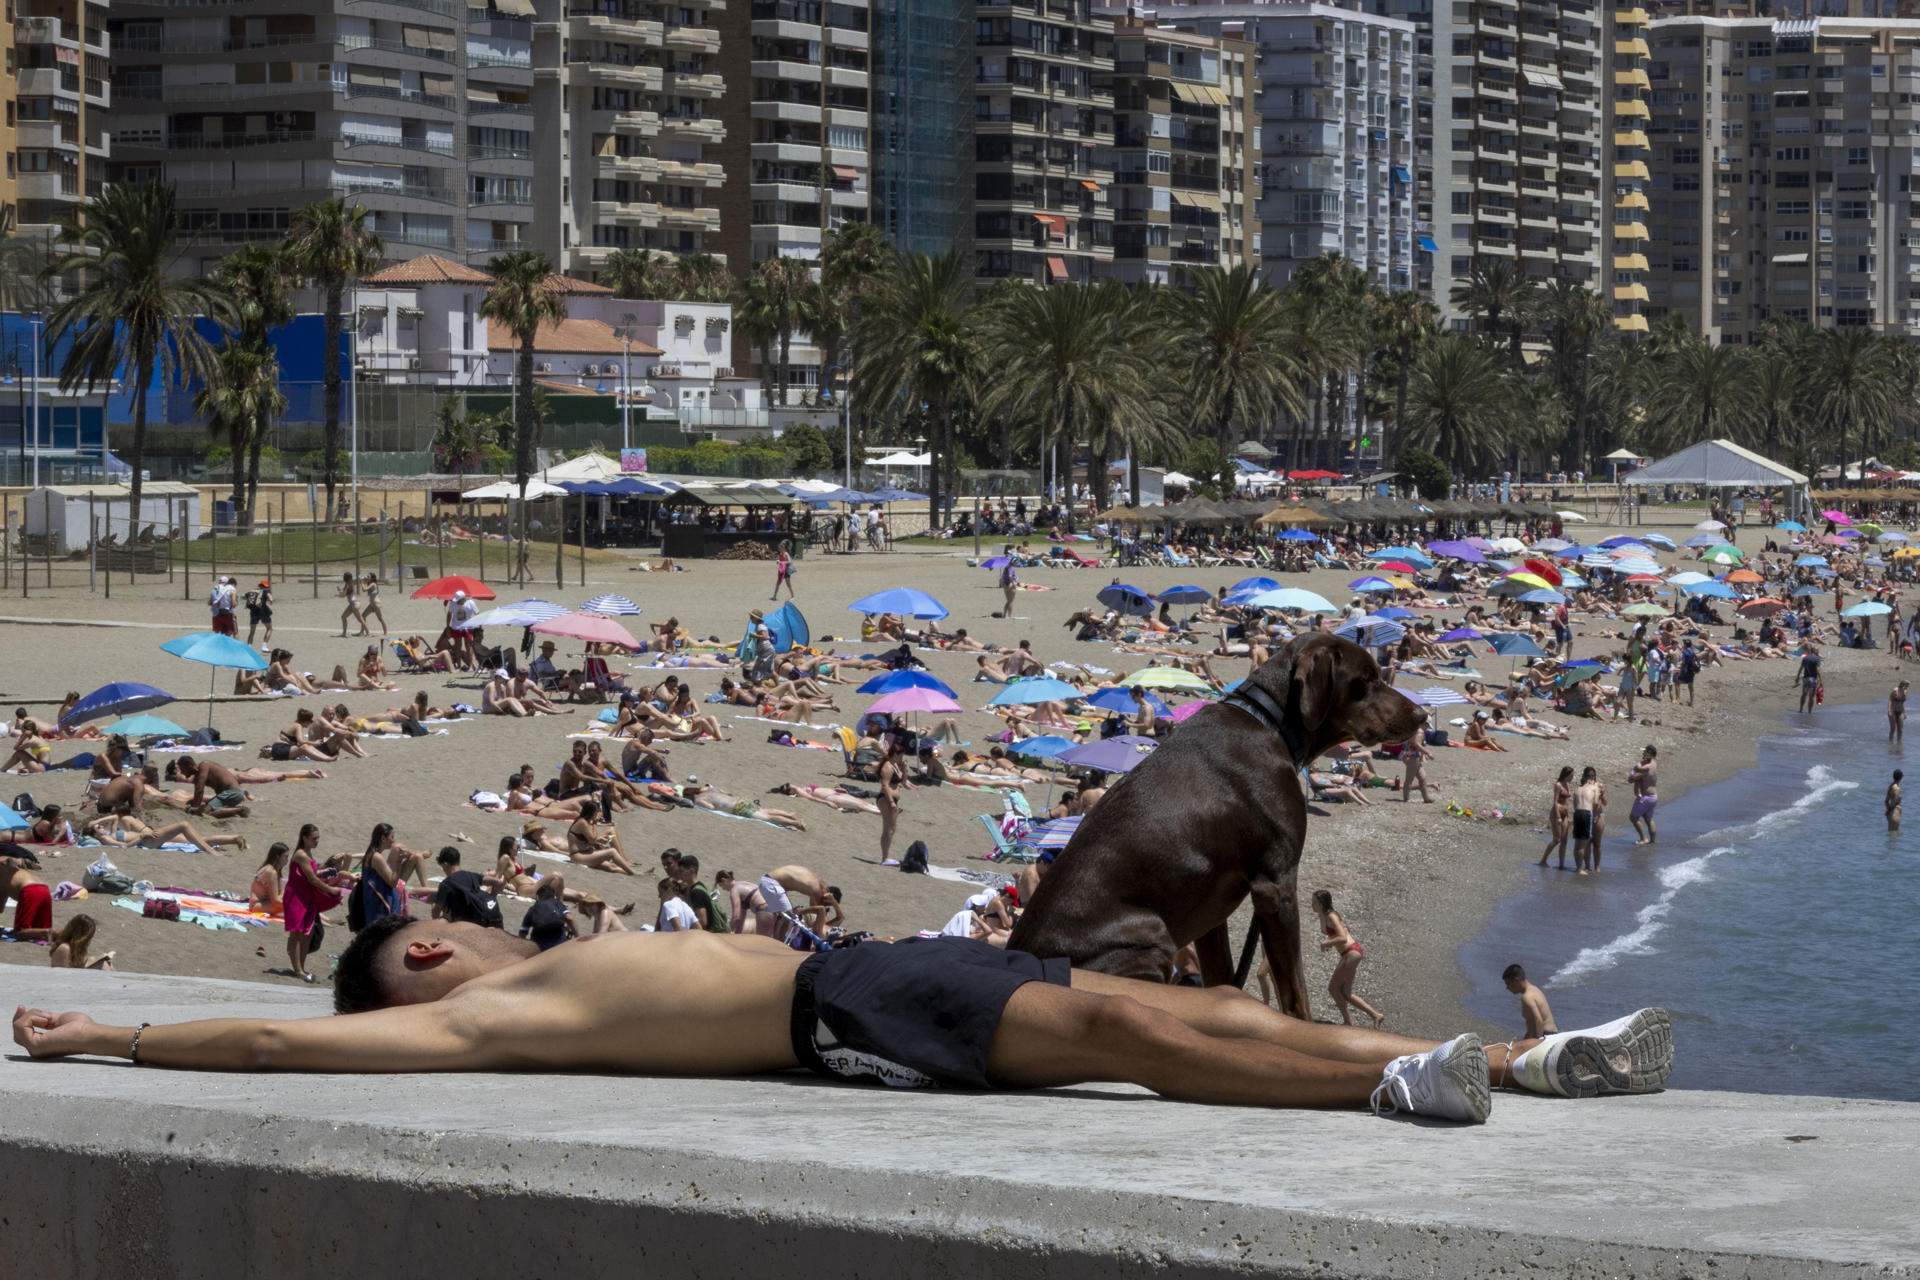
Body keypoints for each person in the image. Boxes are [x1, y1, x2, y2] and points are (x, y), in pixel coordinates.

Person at [11, 921, 1680, 1123]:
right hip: (844, 1009)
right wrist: (110, 1042)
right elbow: (282, 1044)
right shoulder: (481, 1019)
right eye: (435, 939)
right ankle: (1397, 1088)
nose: (475, 932)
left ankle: (1506, 1062)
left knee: (1177, 1004)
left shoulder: (529, 978)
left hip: (868, 965)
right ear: (421, 966)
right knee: (1129, 1038)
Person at [1312, 890, 1385, 1028]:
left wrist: (1326, 943)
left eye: (1314, 902)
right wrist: (1331, 942)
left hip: (1351, 952)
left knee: (1333, 988)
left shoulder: (1331, 916)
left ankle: (1348, 1021)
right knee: (1346, 992)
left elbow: (1343, 937)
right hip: (1349, 953)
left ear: (1321, 904)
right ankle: (1376, 1015)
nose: (1312, 905)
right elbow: (1341, 932)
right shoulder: (1323, 915)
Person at [284, 825, 345, 984]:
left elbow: (314, 873)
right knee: (297, 934)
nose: (317, 841)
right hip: (296, 897)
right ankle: (298, 970)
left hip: (307, 896)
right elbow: (312, 879)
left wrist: (330, 867)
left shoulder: (308, 853)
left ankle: (301, 968)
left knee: (307, 934)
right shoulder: (300, 854)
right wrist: (330, 890)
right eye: (314, 838)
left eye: (318, 838)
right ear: (304, 838)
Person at [432, 848, 504, 929]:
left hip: (476, 921)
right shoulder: (471, 875)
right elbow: (498, 882)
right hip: (494, 912)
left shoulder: (446, 884)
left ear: (445, 864)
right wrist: (493, 895)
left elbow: (436, 911)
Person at [0, 854, 54, 941]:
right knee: (39, 929)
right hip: (44, 889)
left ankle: (50, 932)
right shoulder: (9, 863)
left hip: (29, 890)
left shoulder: (2, 873)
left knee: (20, 932)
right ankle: (61, 934)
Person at [1501, 965, 1558, 1040]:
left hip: (1546, 1035)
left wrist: (1538, 1042)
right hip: (1552, 1034)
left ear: (1516, 981)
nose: (1507, 988)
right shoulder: (1535, 989)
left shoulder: (1527, 997)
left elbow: (1538, 1020)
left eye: (1508, 984)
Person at [518, 882, 574, 951]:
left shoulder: (532, 909)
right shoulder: (557, 903)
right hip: (559, 946)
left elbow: (523, 931)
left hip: (539, 948)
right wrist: (577, 935)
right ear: (554, 896)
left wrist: (522, 948)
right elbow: (570, 918)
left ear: (537, 897)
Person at [876, 736, 908, 857]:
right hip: (886, 799)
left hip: (892, 800)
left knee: (892, 828)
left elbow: (903, 782)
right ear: (895, 754)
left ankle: (886, 856)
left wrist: (905, 770)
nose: (902, 758)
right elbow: (885, 785)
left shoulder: (896, 766)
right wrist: (891, 802)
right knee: (888, 829)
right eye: (901, 756)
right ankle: (885, 858)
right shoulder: (888, 766)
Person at [1539, 765, 1574, 870]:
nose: (1572, 778)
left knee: (1564, 840)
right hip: (1556, 813)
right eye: (1571, 776)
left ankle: (1561, 865)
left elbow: (1567, 801)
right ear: (1566, 775)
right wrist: (1558, 816)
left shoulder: (1567, 785)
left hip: (1565, 812)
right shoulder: (1558, 785)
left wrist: (1569, 815)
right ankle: (1543, 860)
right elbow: (1555, 802)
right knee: (1557, 839)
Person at [1573, 766, 1603, 876]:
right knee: (1583, 844)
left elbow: (1574, 804)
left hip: (1577, 813)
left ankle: (1578, 867)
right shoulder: (1595, 787)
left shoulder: (1578, 788)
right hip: (1586, 813)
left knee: (1577, 843)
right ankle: (1580, 869)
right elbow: (1596, 803)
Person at [1628, 745, 1658, 847]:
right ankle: (1652, 841)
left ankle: (1643, 838)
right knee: (1648, 819)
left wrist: (1636, 767)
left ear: (1650, 754)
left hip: (1646, 797)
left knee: (1633, 817)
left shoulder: (1646, 768)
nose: (1643, 753)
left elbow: (1631, 778)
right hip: (1654, 797)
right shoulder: (1654, 763)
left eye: (1645, 752)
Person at [1399, 721, 1432, 804]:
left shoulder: (1414, 729)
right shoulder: (1419, 732)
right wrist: (1427, 753)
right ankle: (1406, 799)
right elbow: (1417, 744)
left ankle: (1426, 798)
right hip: (1412, 757)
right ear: (1425, 724)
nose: (1427, 729)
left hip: (1410, 756)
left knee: (1422, 777)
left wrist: (1423, 755)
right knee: (1409, 779)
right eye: (1427, 726)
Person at [250, 845, 287, 916]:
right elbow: (275, 901)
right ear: (278, 857)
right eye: (285, 857)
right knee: (291, 910)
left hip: (265, 903)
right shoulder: (271, 872)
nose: (287, 860)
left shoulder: (275, 870)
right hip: (257, 905)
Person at [245, 579, 274, 647]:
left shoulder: (253, 591)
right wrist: (270, 601)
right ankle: (264, 646)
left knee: (252, 631)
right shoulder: (266, 591)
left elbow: (245, 596)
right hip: (263, 611)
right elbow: (271, 599)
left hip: (253, 611)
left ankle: (249, 646)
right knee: (269, 628)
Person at [1796, 645, 1822, 714]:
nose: (1818, 652)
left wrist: (1797, 677)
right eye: (1818, 650)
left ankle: (1801, 709)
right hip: (1813, 679)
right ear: (1815, 651)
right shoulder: (1817, 658)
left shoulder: (1805, 658)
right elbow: (1817, 670)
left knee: (1804, 694)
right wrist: (1821, 680)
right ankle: (1809, 712)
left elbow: (1801, 668)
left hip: (1805, 678)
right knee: (1811, 696)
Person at [996, 548, 1019, 618]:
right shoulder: (1011, 568)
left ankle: (1005, 614)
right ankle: (1009, 615)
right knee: (1010, 601)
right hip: (1010, 585)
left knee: (1008, 601)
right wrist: (1013, 583)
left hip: (1005, 585)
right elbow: (1010, 576)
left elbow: (1004, 577)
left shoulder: (1006, 567)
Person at [1892, 680, 1910, 745]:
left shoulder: (1905, 691)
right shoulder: (1895, 690)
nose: (1907, 687)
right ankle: (1891, 742)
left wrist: (1904, 713)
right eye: (1907, 685)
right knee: (1893, 729)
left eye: (1908, 686)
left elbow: (1902, 703)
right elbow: (1891, 701)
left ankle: (1899, 743)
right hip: (1894, 711)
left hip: (1901, 711)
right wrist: (1889, 711)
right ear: (1902, 684)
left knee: (1900, 729)